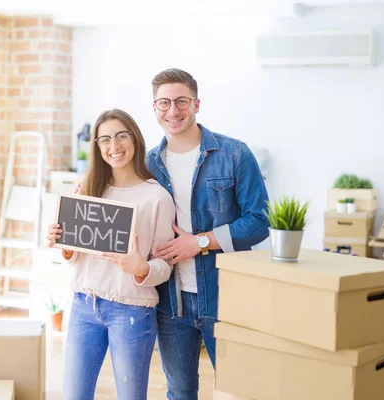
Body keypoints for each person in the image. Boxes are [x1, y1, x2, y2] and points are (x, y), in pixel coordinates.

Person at [145, 68, 270, 399]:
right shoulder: (148, 165)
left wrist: (199, 243)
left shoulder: (234, 154)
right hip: (171, 301)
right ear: (154, 108)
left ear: (197, 103)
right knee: (180, 392)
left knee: (238, 390)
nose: (173, 111)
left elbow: (260, 220)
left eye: (182, 101)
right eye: (164, 103)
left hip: (226, 295)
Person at [46, 109, 176, 400]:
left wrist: (140, 267)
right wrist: (63, 243)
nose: (113, 146)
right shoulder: (87, 189)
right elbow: (76, 255)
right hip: (84, 305)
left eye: (121, 136)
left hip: (130, 312)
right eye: (104, 140)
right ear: (97, 146)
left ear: (135, 138)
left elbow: (165, 266)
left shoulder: (157, 197)